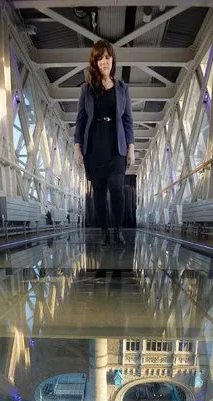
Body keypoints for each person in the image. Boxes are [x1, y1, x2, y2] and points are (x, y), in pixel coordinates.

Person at [74, 40, 135, 246]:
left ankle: (117, 230)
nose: (104, 62)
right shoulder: (87, 89)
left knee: (116, 186)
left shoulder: (122, 89)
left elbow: (127, 120)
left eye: (107, 57)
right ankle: (104, 232)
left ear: (112, 60)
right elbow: (81, 120)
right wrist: (77, 148)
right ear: (95, 62)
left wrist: (131, 149)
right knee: (99, 192)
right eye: (100, 58)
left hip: (115, 144)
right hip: (94, 145)